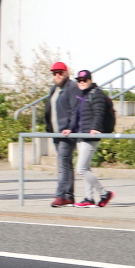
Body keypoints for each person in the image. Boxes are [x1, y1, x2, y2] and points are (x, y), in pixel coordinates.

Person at [69, 70, 114, 208]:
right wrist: (70, 128)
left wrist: (95, 128)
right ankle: (89, 198)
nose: (81, 82)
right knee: (86, 168)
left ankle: (104, 193)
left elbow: (99, 112)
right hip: (81, 135)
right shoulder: (82, 95)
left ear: (90, 80)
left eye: (84, 80)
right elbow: (76, 114)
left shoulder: (97, 93)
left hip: (91, 136)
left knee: (81, 169)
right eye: (79, 80)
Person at [44, 61, 81, 207]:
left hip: (66, 133)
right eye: (54, 73)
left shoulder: (72, 87)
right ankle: (69, 196)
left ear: (66, 73)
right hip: (55, 132)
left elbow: (75, 109)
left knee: (62, 164)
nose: (57, 75)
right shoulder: (55, 89)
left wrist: (71, 128)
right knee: (66, 164)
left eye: (60, 72)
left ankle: (60, 196)